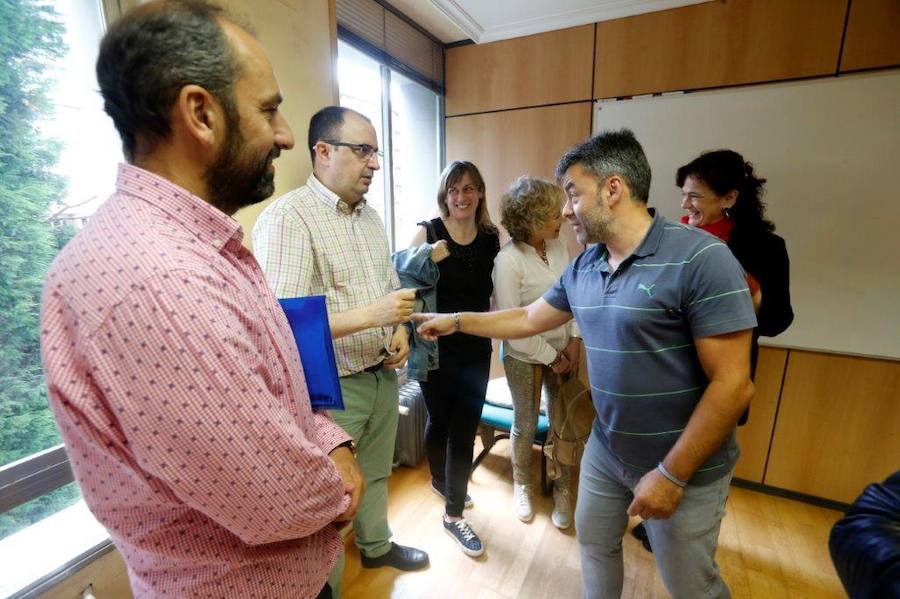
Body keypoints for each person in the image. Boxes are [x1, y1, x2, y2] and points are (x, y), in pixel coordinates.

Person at [40, 2, 362, 597]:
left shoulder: (200, 247)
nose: (286, 135)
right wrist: (338, 481)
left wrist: (329, 441)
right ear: (200, 113)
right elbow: (275, 496)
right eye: (268, 109)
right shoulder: (156, 281)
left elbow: (274, 387)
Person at [414, 129, 758, 599]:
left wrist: (672, 474)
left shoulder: (702, 259)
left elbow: (733, 386)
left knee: (691, 586)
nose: (564, 210)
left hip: (685, 467)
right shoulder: (586, 264)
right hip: (607, 450)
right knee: (595, 547)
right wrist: (454, 321)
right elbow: (527, 318)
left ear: (613, 189)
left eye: (572, 194)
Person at [252, 106, 428, 573]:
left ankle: (376, 548)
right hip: (331, 393)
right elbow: (282, 325)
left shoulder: (370, 218)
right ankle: (325, 584)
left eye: (376, 152)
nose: (374, 164)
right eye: (363, 151)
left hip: (382, 377)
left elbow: (390, 289)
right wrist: (372, 315)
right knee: (332, 495)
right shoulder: (289, 219)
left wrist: (398, 329)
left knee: (375, 473)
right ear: (323, 152)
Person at [632, 148, 795, 552]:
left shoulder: (767, 247)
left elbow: (779, 319)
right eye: (683, 195)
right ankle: (655, 522)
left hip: (718, 380)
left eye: (696, 197)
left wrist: (751, 293)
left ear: (729, 198)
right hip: (666, 375)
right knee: (664, 452)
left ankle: (691, 537)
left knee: (702, 463)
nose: (685, 206)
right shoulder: (671, 239)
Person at [408, 161, 500, 557]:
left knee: (464, 429)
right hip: (432, 345)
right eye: (453, 191)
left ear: (480, 192)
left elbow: (494, 291)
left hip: (476, 345)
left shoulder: (492, 237)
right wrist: (429, 256)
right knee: (440, 422)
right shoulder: (428, 231)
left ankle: (453, 514)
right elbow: (400, 280)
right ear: (444, 195)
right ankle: (440, 478)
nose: (461, 198)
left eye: (468, 189)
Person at [493, 176, 580, 528]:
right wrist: (553, 358)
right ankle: (522, 485)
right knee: (525, 425)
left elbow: (575, 295)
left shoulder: (559, 247)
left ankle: (562, 489)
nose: (564, 216)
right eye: (554, 215)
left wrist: (574, 342)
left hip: (565, 350)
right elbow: (512, 328)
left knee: (563, 425)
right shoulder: (508, 261)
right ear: (531, 220)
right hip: (523, 355)